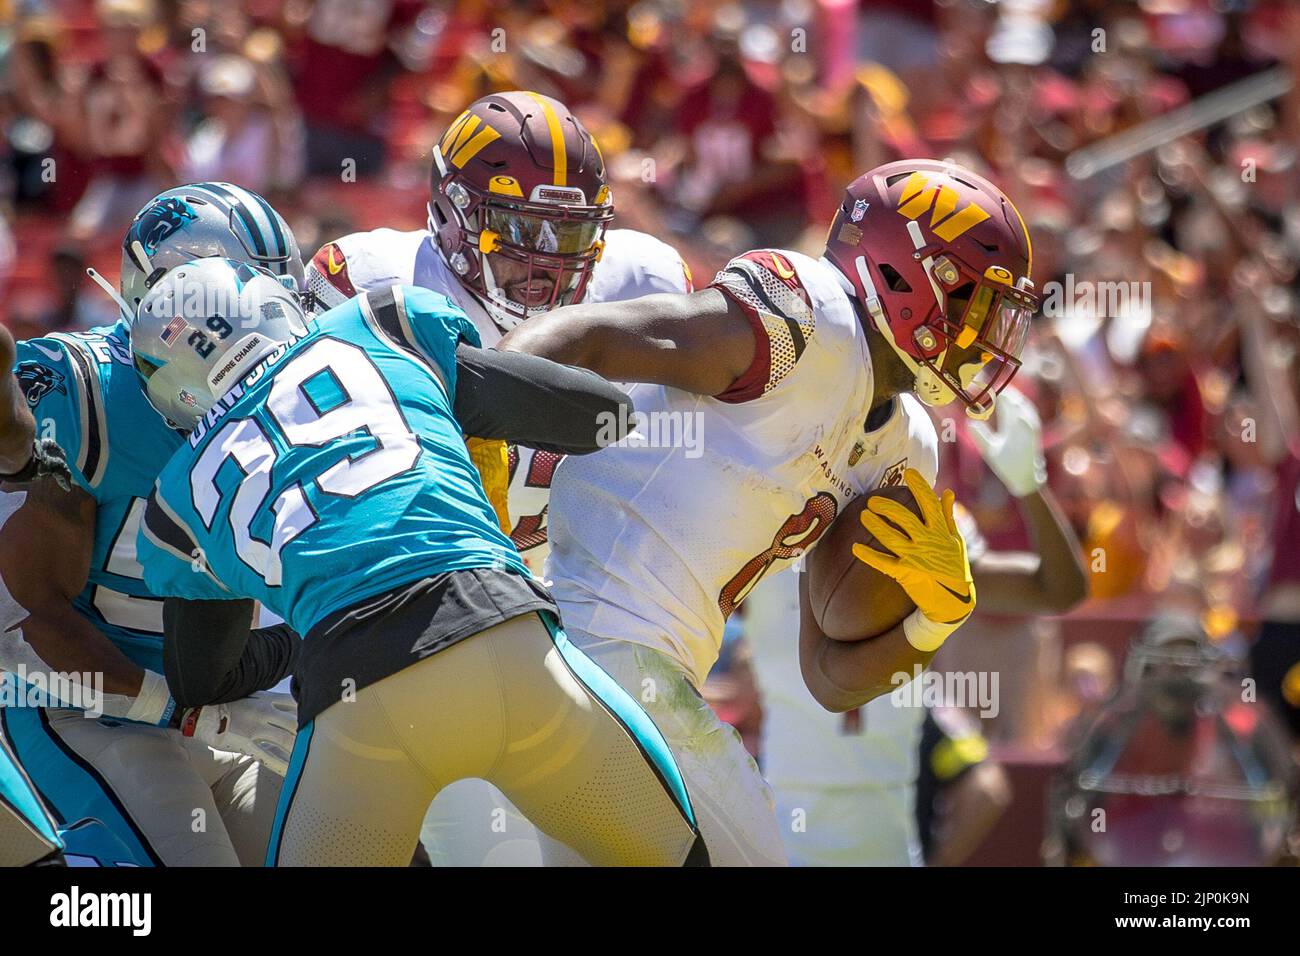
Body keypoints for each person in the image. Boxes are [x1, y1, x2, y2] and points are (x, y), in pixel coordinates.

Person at [498, 158, 1039, 864]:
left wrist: (937, 619)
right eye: (975, 304)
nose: (986, 334)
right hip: (596, 638)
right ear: (907, 275)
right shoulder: (810, 318)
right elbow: (592, 336)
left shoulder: (903, 446)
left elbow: (831, 679)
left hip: (624, 664)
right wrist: (476, 422)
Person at [132, 259, 707, 867]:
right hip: (504, 634)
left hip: (354, 699)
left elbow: (202, 679)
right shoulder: (378, 325)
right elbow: (600, 413)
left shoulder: (177, 499)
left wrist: (302, 641)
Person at [0, 183, 307, 867]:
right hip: (80, 709)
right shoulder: (84, 395)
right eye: (226, 297)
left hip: (227, 712)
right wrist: (184, 714)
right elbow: (28, 623)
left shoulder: (293, 391)